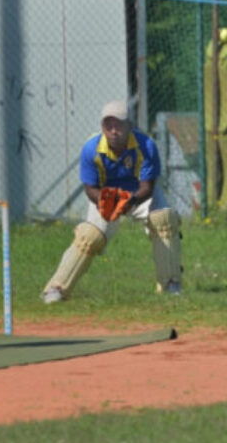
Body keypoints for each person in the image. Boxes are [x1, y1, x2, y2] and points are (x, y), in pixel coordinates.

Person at [41, 100, 182, 303]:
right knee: (89, 236)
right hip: (105, 197)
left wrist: (129, 200)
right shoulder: (91, 149)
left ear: (129, 126)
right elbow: (90, 188)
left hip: (139, 194)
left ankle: (170, 284)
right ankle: (56, 289)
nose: (114, 131)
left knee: (164, 219)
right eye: (109, 126)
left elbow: (148, 187)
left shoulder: (146, 146)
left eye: (119, 125)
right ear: (102, 127)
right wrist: (107, 200)